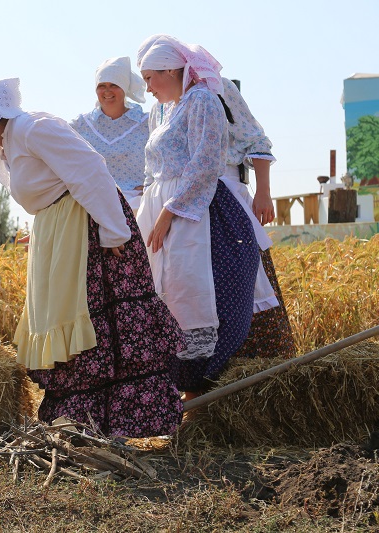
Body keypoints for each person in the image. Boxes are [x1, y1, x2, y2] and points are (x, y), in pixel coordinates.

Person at [0, 78, 185, 438]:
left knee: (98, 320)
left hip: (88, 230)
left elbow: (90, 169)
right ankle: (82, 424)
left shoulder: (32, 128)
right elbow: (49, 188)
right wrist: (42, 232)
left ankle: (115, 422)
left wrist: (113, 230)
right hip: (60, 232)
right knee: (68, 321)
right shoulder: (7, 144)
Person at [135, 35, 263, 400]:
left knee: (195, 289)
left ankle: (198, 392)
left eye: (149, 78)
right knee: (164, 294)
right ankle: (175, 394)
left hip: (196, 209)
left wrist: (169, 212)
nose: (146, 89)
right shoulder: (160, 111)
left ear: (172, 70)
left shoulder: (202, 100)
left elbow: (206, 162)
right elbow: (151, 169)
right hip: (161, 206)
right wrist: (146, 212)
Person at [220, 78, 295, 359]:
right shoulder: (163, 103)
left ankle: (264, 360)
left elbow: (255, 140)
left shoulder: (219, 88)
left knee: (249, 273)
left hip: (229, 195)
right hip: (186, 204)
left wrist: (263, 192)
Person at [69, 56, 150, 212]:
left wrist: (151, 186)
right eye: (102, 85)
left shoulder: (147, 122)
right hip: (92, 206)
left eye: (114, 85)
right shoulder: (81, 124)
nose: (107, 91)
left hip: (137, 206)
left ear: (125, 87)